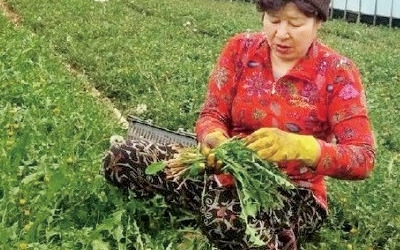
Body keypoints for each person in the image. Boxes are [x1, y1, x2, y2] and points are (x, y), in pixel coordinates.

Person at [102, 0, 376, 249]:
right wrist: (215, 140)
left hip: (292, 192)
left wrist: (301, 146)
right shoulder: (241, 49)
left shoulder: (337, 72)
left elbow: (363, 158)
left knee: (226, 219)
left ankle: (233, 220)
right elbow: (211, 114)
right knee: (120, 157)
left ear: (318, 21)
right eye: (273, 19)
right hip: (221, 172)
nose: (281, 33)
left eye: (295, 23)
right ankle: (219, 211)